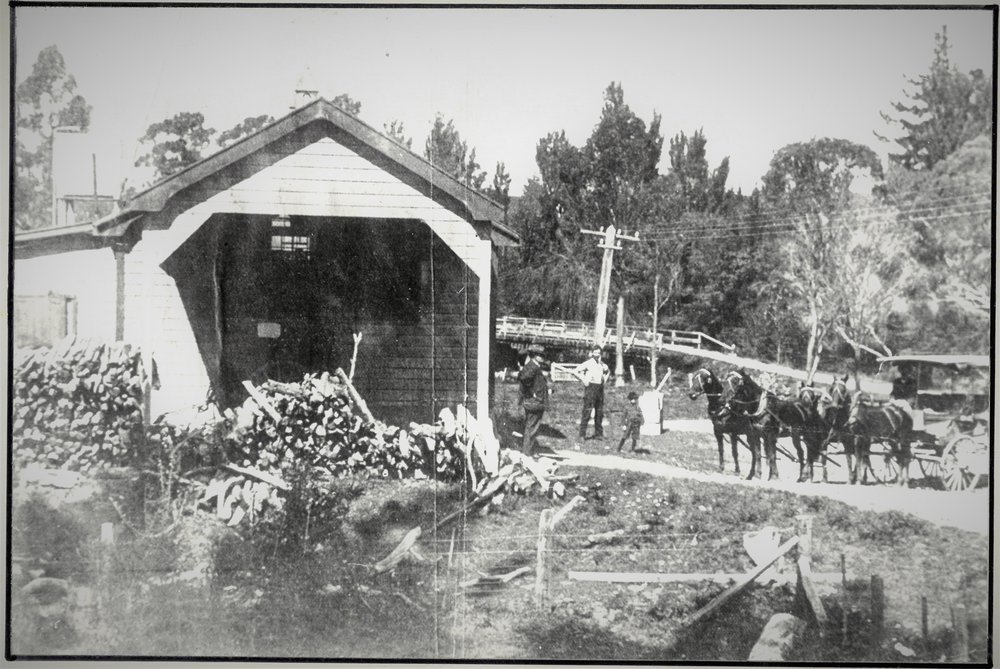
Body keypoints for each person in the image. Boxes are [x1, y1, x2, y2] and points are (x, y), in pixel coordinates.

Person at [517, 344, 549, 455]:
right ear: (534, 355)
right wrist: (532, 393)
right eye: (540, 355)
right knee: (531, 429)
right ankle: (527, 454)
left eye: (543, 355)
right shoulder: (533, 367)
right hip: (534, 402)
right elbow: (524, 379)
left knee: (532, 428)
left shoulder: (533, 366)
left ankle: (528, 452)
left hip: (535, 402)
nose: (542, 357)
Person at [574, 346, 610, 439]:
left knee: (599, 412)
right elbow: (576, 371)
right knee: (587, 411)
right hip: (591, 388)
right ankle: (582, 434)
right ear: (592, 353)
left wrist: (604, 380)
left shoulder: (602, 364)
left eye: (598, 353)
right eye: (595, 353)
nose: (597, 355)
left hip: (600, 389)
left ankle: (598, 434)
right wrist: (584, 380)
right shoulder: (588, 363)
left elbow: (607, 371)